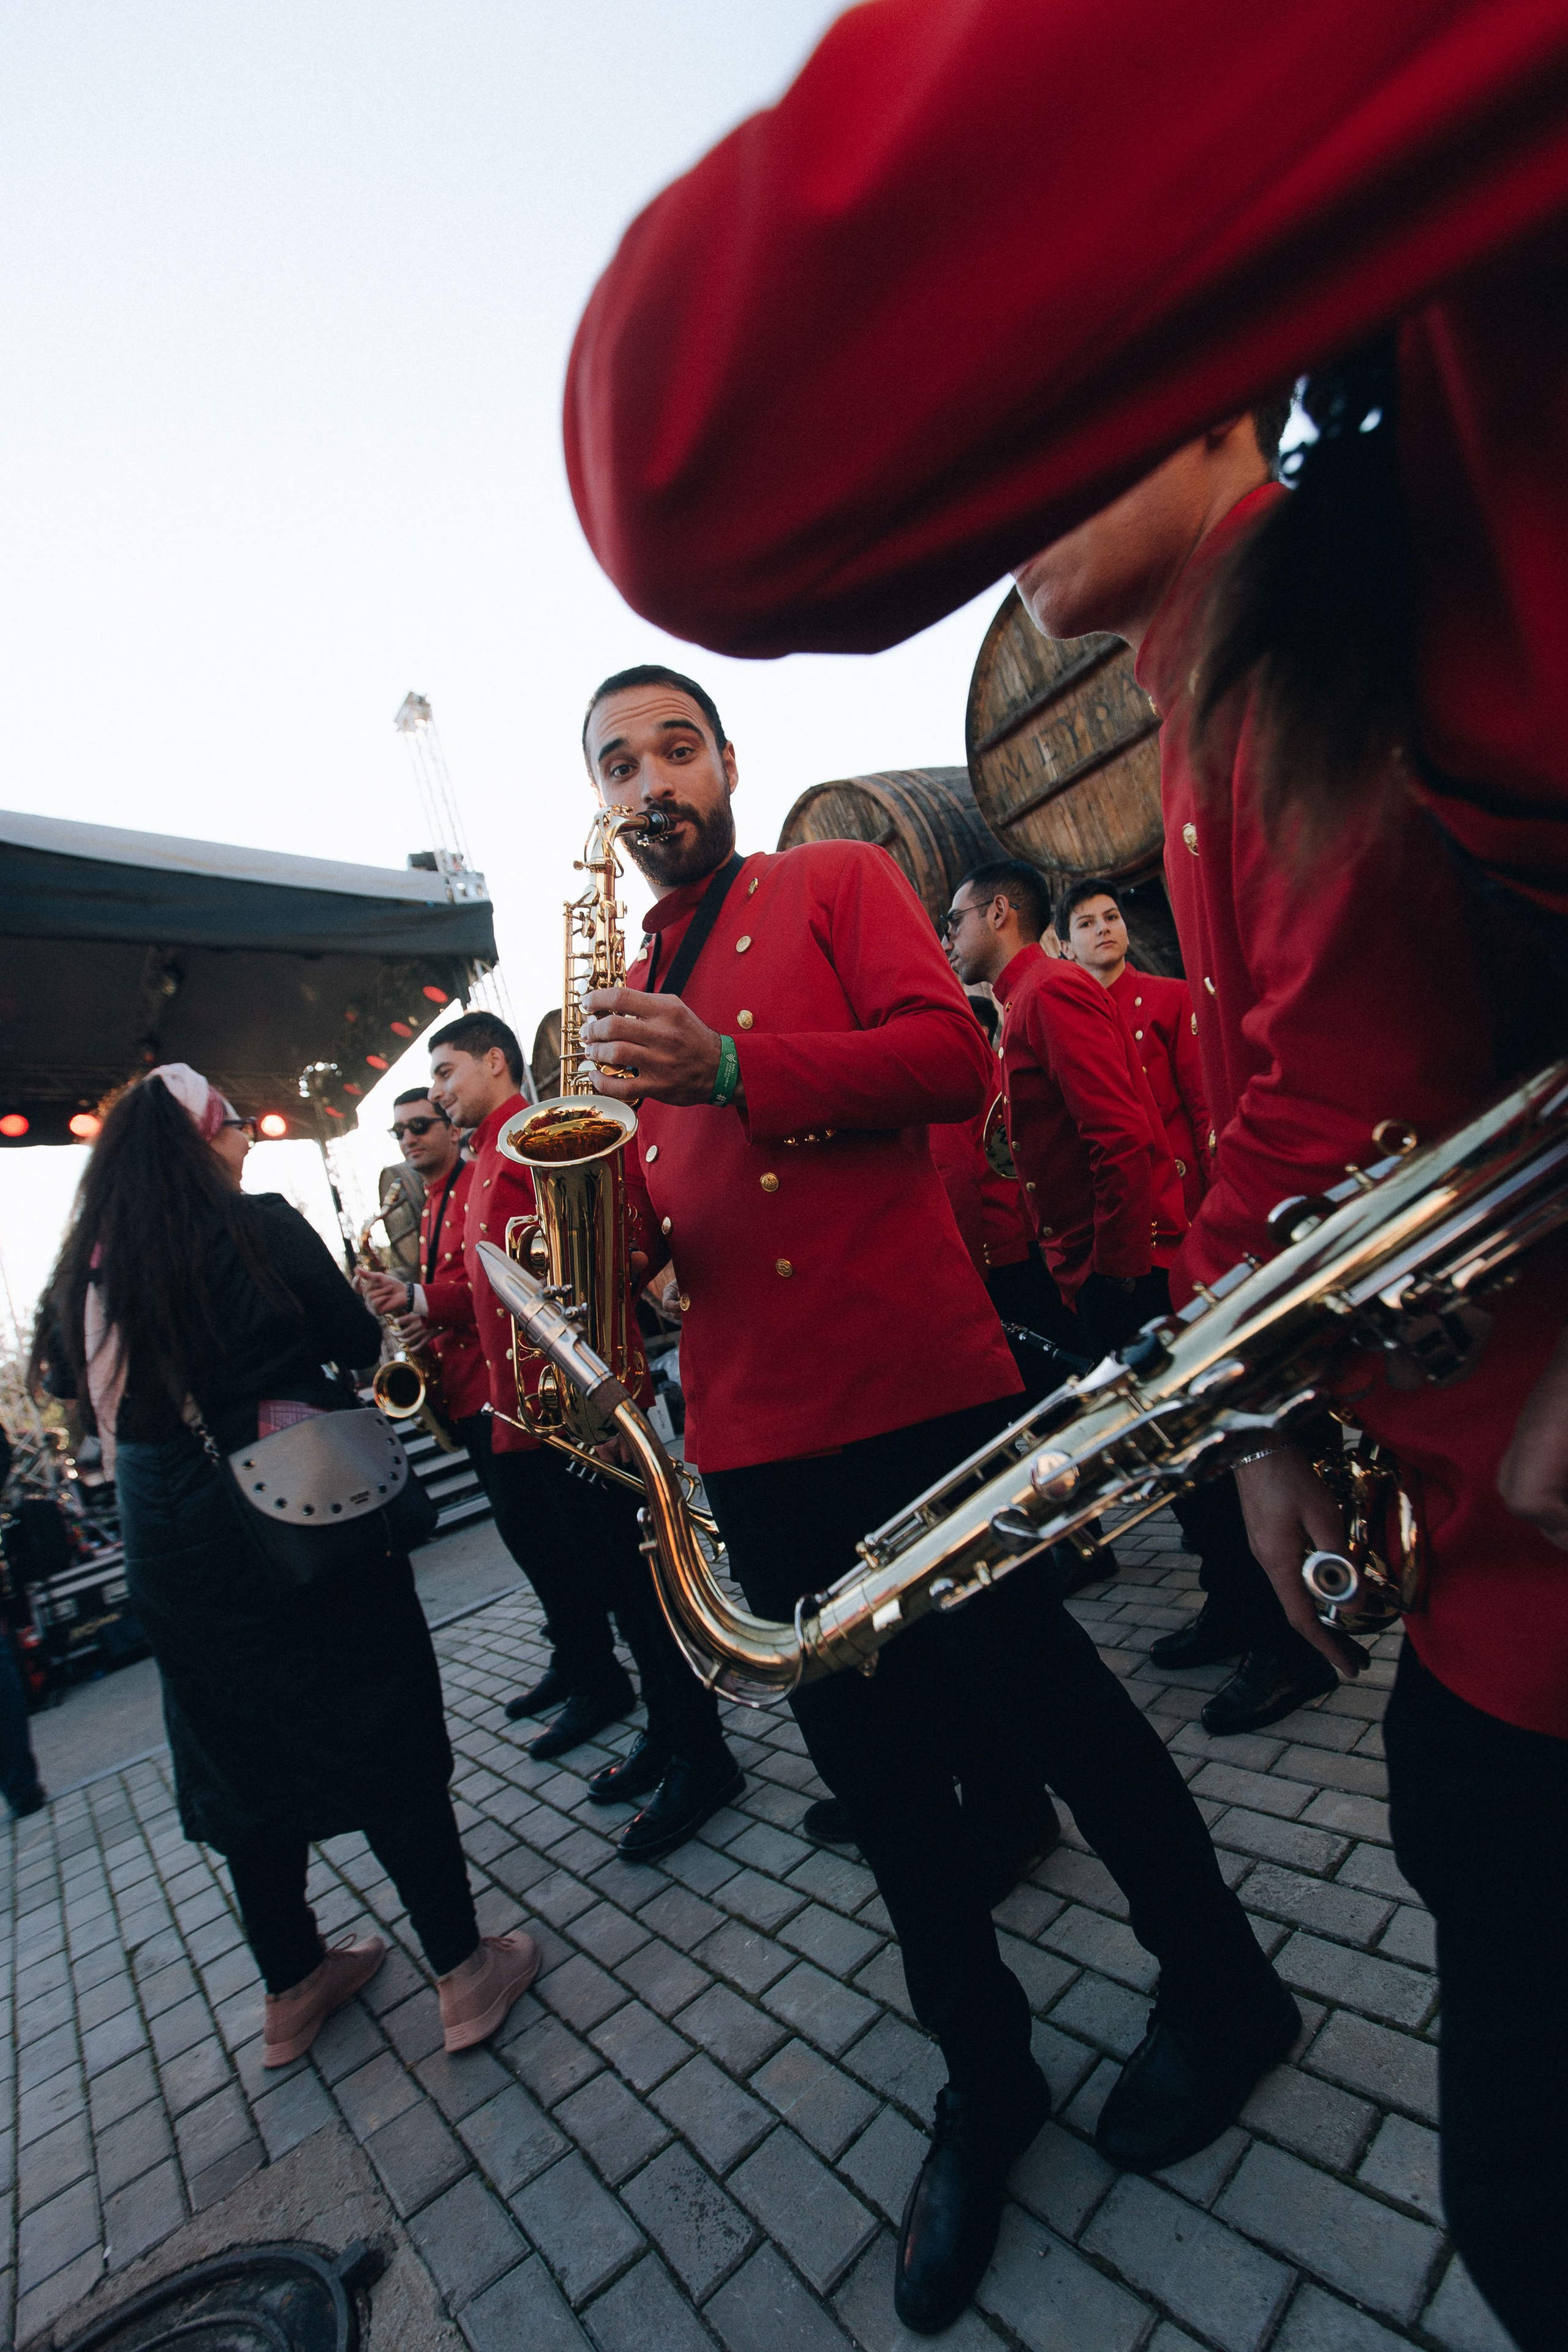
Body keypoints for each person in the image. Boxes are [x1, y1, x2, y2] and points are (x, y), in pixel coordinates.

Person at [575, 662, 1299, 2335]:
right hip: (753, 1447)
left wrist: (734, 1070)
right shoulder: (624, 994)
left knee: (1060, 1711)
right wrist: (611, 1277)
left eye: (672, 745)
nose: (648, 778)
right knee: (882, 1786)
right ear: (605, 807)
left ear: (730, 765)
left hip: (913, 1400)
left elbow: (946, 1066)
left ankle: (1226, 1986)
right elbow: (685, 1222)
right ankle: (987, 2076)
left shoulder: (831, 883)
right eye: (617, 763)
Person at [1012, 407, 1568, 2349]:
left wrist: (1226, 1379)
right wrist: (1262, 1414)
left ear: (1216, 397)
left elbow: (1348, 1087)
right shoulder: (1207, 679)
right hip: (1480, 1528)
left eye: (1055, 421)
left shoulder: (1305, 621)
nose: (1008, 503)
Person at [37, 1066, 538, 2064]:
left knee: (238, 1763)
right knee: (382, 1725)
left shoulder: (83, 1277)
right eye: (231, 1124)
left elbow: (63, 1389)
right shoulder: (254, 1228)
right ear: (200, 1139)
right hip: (294, 1525)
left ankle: (292, 1988)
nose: (245, 1141)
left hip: (171, 1555)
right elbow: (357, 1341)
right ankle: (463, 1972)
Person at [947, 857, 1337, 1733]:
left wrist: (1116, 1270)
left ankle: (1290, 1646)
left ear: (1000, 914)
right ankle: (1235, 1609)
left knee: (1210, 1451)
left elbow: (1121, 1139)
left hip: (1131, 1265)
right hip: (1103, 1263)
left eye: (957, 920)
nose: (949, 937)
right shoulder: (1028, 999)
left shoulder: (1050, 993)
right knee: (1182, 1460)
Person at [369, 1012, 739, 1857]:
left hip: (581, 1411)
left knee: (643, 1594)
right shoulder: (489, 1152)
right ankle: (673, 1733)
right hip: (540, 1417)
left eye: (447, 1074)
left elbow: (588, 1264)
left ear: (497, 1063)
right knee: (616, 1589)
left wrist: (605, 1401)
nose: (437, 1093)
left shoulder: (531, 1137)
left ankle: (703, 1752)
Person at [1056, 877, 1211, 1222]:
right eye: (1087, 923)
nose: (1103, 929)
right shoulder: (1068, 1020)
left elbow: (1203, 1106)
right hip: (1115, 1204)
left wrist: (1219, 1194)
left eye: (1112, 918)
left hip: (1184, 1192)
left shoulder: (1172, 998)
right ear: (1066, 948)